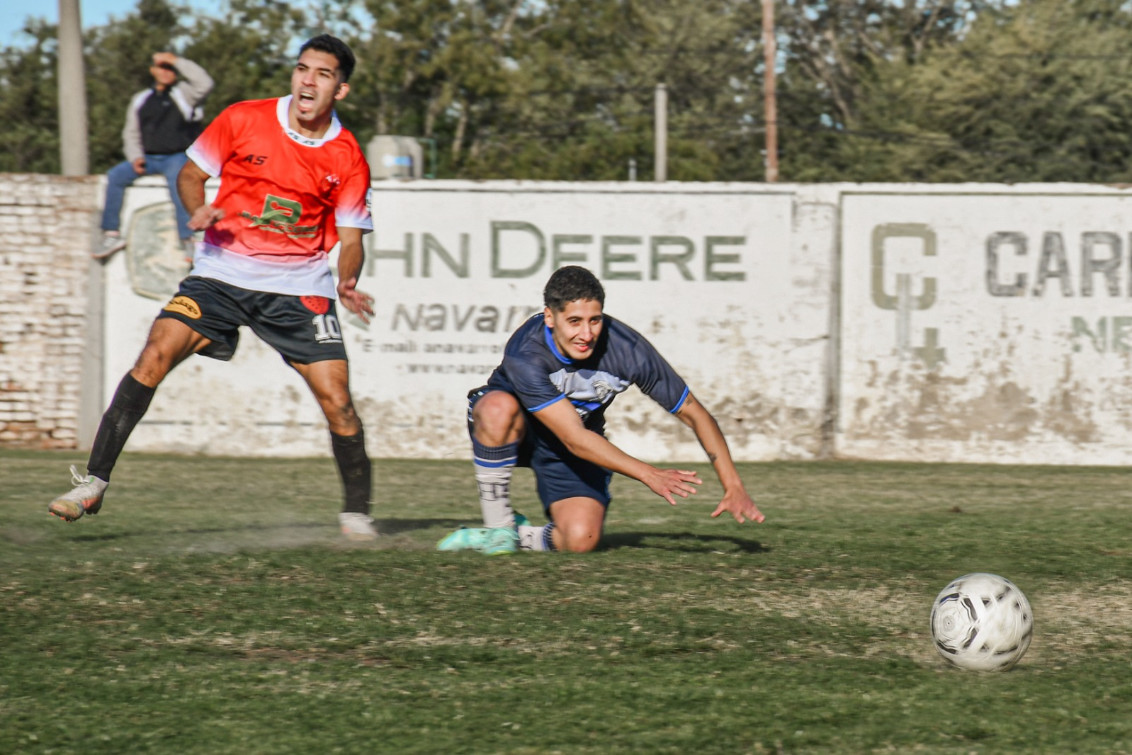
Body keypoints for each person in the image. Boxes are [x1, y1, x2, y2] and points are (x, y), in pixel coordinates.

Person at [50, 34, 379, 541]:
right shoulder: (243, 118)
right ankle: (93, 482)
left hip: (298, 286)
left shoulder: (347, 155)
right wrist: (195, 210)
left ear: (342, 89)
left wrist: (349, 276)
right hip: (220, 274)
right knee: (153, 356)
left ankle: (357, 514)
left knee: (338, 402)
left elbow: (352, 238)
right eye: (302, 69)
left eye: (323, 74)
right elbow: (189, 175)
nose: (308, 80)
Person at [438, 265, 766, 555]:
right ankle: (498, 528)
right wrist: (649, 474)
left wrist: (733, 485)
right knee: (496, 407)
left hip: (571, 441)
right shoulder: (526, 352)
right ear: (550, 317)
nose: (586, 334)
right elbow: (574, 438)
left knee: (583, 539)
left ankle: (517, 536)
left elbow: (696, 413)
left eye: (595, 320)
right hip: (519, 430)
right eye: (574, 321)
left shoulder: (628, 350)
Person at [95, 51, 213, 261]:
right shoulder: (141, 99)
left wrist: (175, 60)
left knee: (180, 185)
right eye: (162, 68)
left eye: (170, 69)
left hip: (176, 156)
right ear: (153, 71)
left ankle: (188, 240)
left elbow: (205, 82)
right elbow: (131, 131)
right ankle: (111, 233)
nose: (167, 73)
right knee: (115, 176)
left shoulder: (184, 94)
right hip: (148, 158)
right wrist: (135, 156)